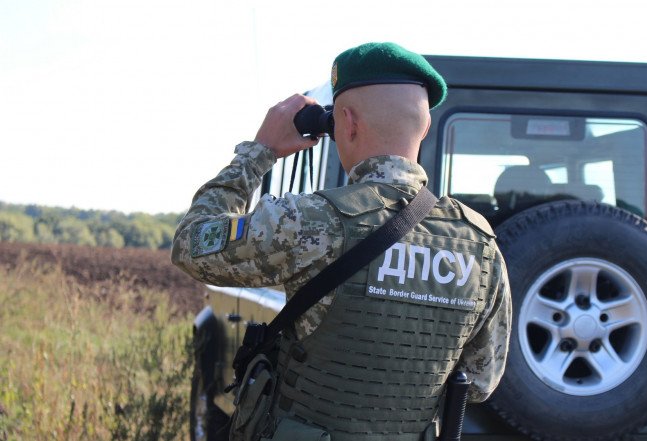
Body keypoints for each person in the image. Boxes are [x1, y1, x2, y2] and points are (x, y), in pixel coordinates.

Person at [172, 42, 511, 441]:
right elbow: (480, 382)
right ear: (425, 126)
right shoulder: (479, 244)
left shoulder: (311, 220)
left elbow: (191, 244)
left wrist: (258, 152)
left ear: (346, 122)